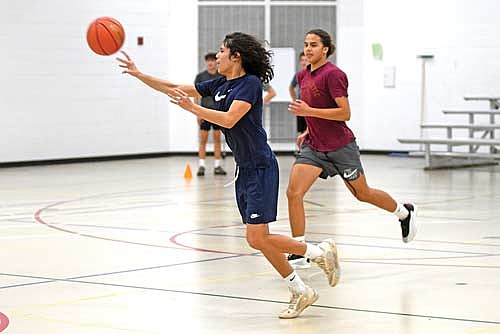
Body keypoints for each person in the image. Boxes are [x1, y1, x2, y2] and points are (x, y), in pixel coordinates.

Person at [116, 32, 340, 319]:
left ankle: (316, 254)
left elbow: (230, 118)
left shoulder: (249, 84)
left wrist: (193, 107)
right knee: (257, 239)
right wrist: (139, 74)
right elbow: (174, 86)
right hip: (243, 170)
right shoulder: (220, 83)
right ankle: (303, 286)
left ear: (236, 56)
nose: (217, 56)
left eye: (222, 51)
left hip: (260, 167)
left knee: (257, 235)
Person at [286, 29, 417, 269]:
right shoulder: (302, 76)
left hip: (340, 147)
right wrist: (307, 129)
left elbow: (344, 113)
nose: (308, 49)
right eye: (306, 44)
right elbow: (313, 108)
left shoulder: (334, 75)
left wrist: (309, 113)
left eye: (313, 45)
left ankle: (404, 213)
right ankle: (299, 250)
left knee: (362, 194)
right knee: (294, 193)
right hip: (314, 147)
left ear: (325, 48)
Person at [194, 52, 227, 176]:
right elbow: (196, 95)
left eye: (212, 60)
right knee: (203, 139)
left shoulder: (221, 76)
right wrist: (198, 112)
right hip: (204, 112)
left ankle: (217, 165)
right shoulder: (201, 77)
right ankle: (201, 165)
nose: (210, 63)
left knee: (217, 139)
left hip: (217, 113)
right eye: (208, 60)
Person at [288, 52, 308, 136]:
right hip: (301, 105)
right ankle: (303, 148)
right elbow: (291, 87)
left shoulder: (315, 74)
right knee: (302, 130)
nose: (304, 62)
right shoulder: (298, 74)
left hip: (311, 106)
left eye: (306, 60)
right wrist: (295, 100)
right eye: (302, 60)